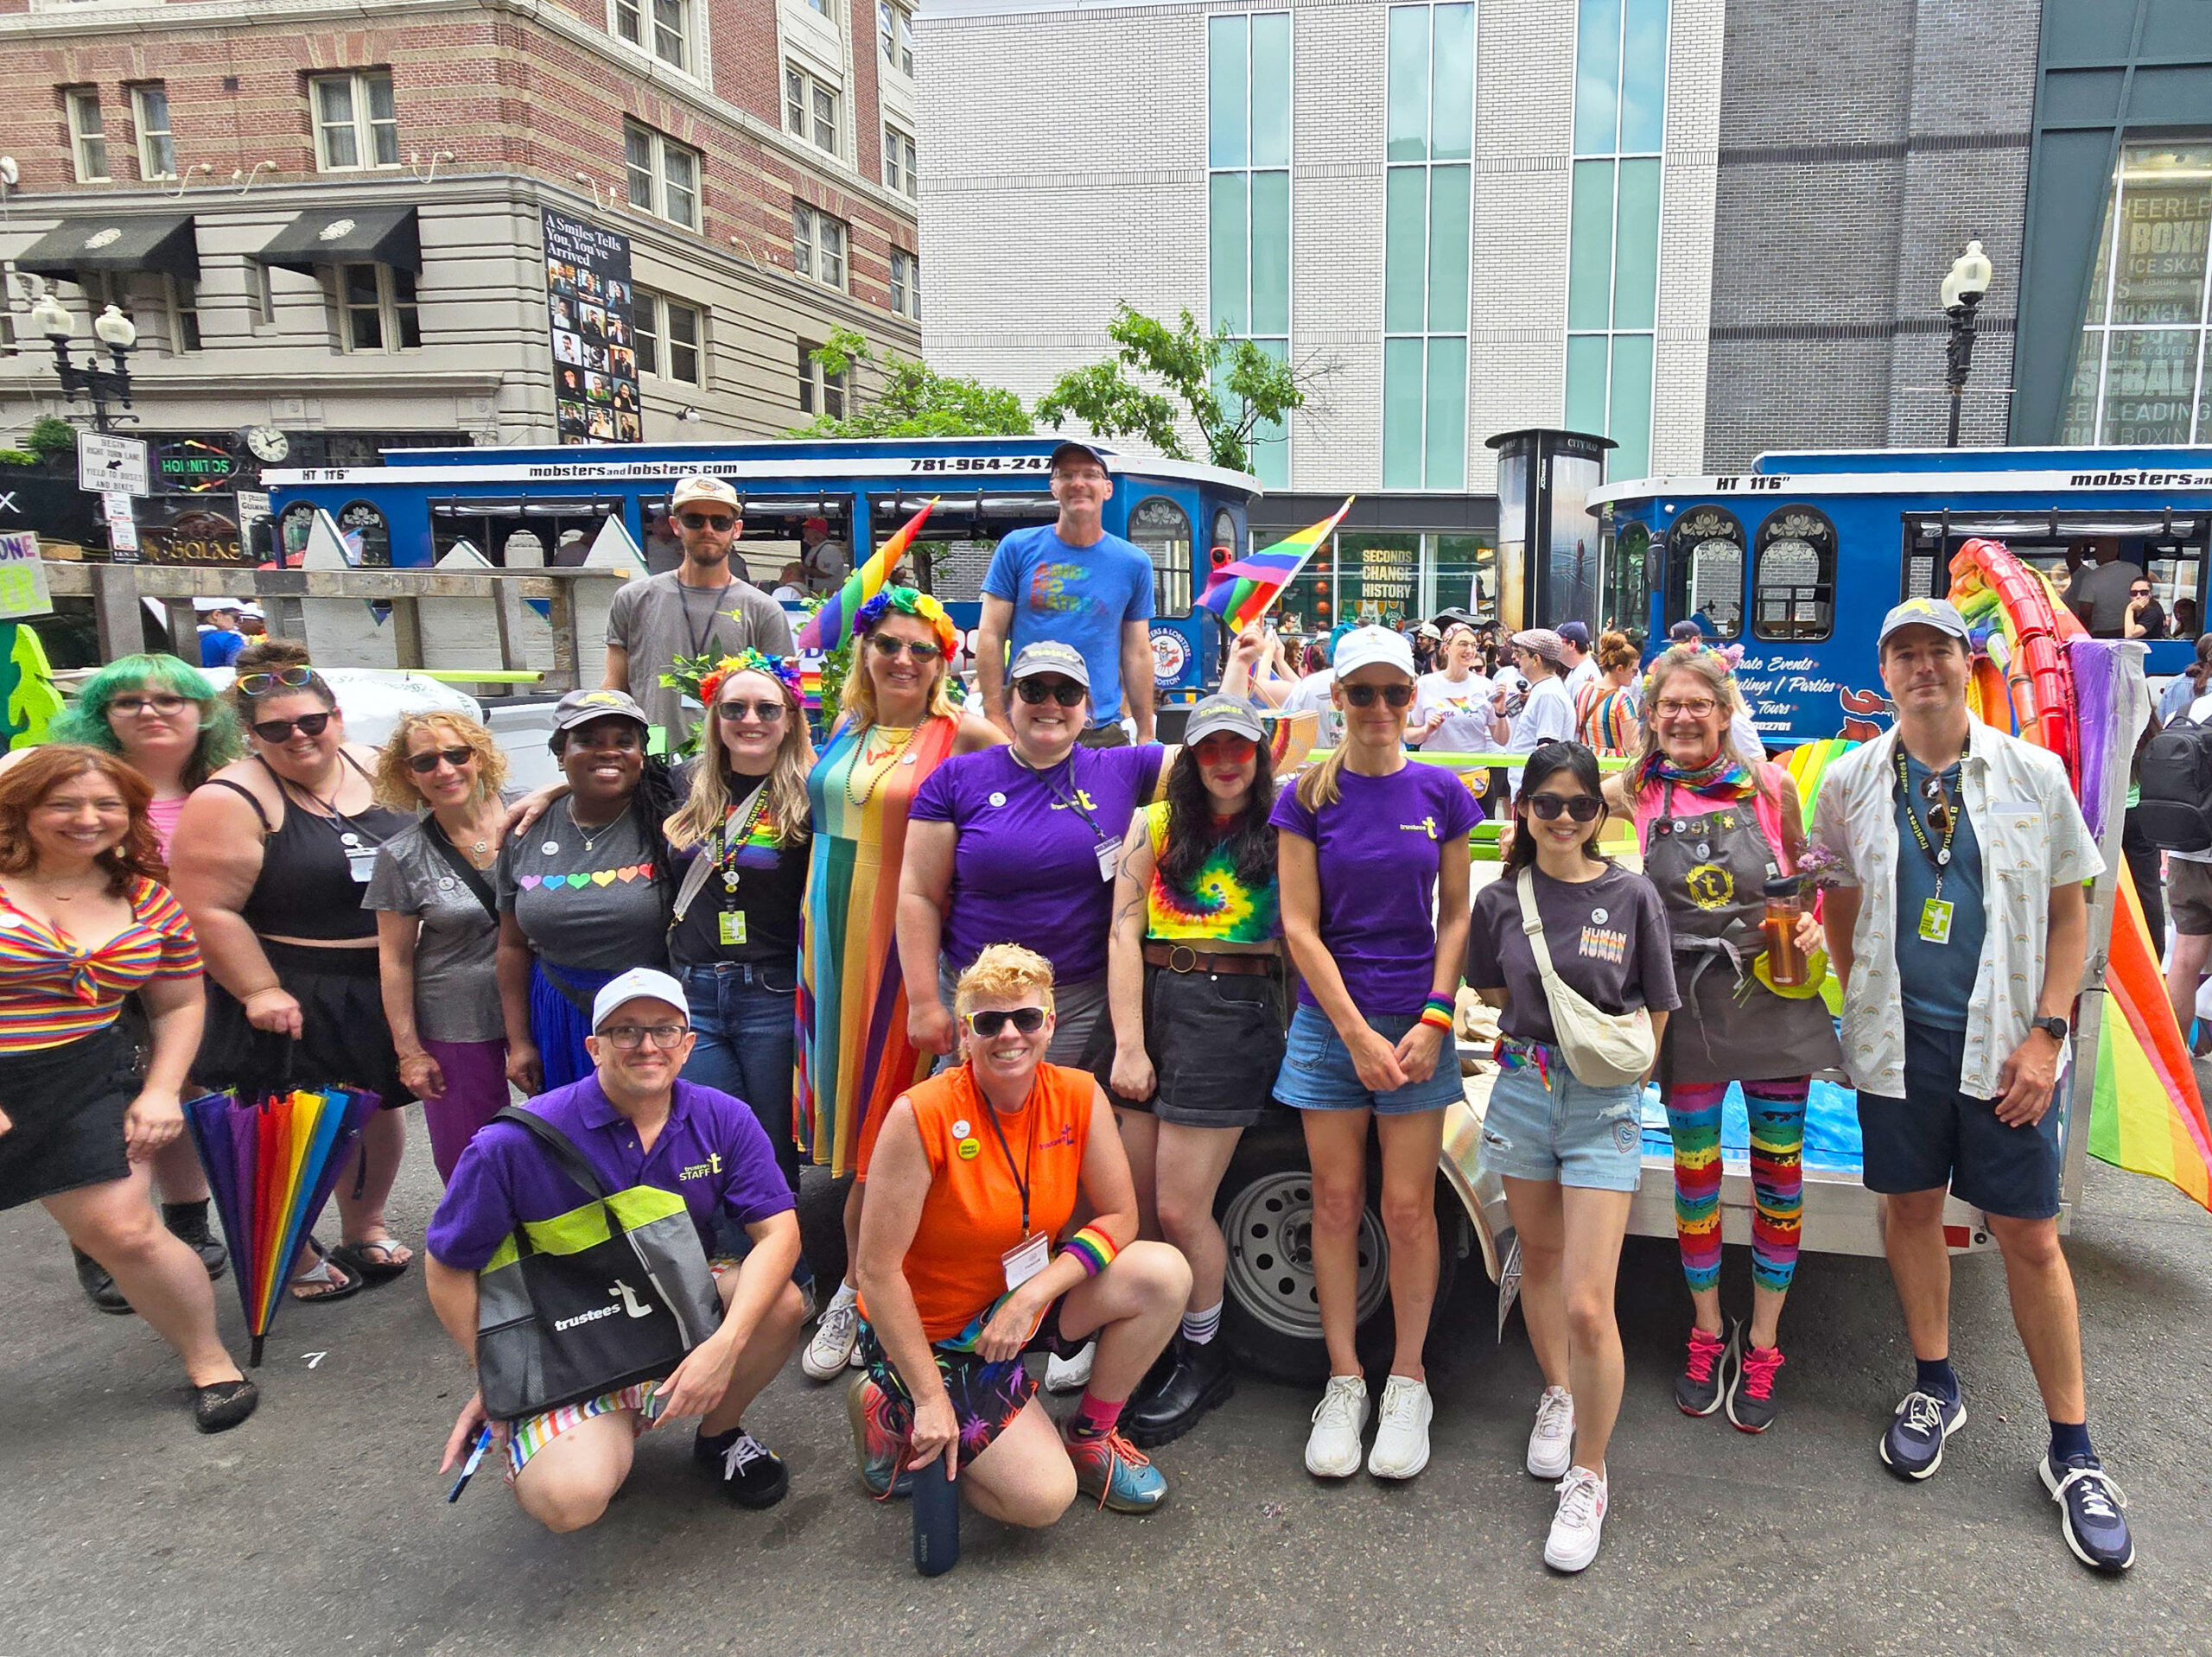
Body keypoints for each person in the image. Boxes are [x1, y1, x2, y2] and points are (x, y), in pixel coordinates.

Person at [1813, 597, 2133, 1573]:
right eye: (1902, 653)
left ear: (1968, 663)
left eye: (1937, 652)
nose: (1921, 669)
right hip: (1897, 1047)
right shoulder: (1850, 780)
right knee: (1909, 1211)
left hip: (2005, 1051)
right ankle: (1934, 1381)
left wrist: (2047, 1035)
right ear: (1885, 669)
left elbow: (2071, 917)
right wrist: (1858, 999)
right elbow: (1841, 902)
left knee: (2030, 1236)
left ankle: (2071, 1449)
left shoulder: (2033, 775)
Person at [425, 968, 809, 1529]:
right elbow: (446, 1268)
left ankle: (718, 1434)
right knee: (570, 1500)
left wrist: (726, 1345)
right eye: (625, 1031)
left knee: (781, 1305)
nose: (647, 1045)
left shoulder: (723, 1117)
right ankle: (608, 1423)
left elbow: (780, 1233)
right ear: (594, 1046)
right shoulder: (510, 1144)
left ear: (688, 1044)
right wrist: (494, 1372)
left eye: (664, 1030)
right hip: (568, 1332)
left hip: (670, 1295)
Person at [849, 943, 1191, 1518]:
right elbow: (876, 1274)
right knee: (1041, 1502)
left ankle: (1089, 1437)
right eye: (989, 1021)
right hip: (938, 1334)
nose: (1010, 1034)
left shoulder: (1079, 1095)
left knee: (1163, 1273)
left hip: (1020, 1306)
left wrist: (1034, 1294)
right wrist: (931, 1397)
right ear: (964, 1033)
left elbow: (1120, 1218)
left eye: (1026, 1017)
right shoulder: (920, 1115)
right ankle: (893, 1404)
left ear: (1049, 1023)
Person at [1605, 643, 1839, 1431]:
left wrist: (1810, 923)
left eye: (1697, 704)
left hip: (1770, 993)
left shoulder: (1771, 786)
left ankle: (1764, 1342)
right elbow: (1551, 805)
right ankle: (1709, 1330)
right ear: (1651, 717)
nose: (1682, 717)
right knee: (1695, 1174)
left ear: (1725, 711)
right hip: (1686, 1006)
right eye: (1667, 705)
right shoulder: (1637, 789)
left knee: (1780, 1174)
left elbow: (1807, 877)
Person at [0, 746, 259, 1432]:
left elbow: (177, 1004)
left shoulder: (145, 894)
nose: (88, 818)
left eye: (106, 804)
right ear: (20, 809)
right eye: (63, 803)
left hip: (81, 1073)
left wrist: (161, 1092)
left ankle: (209, 1362)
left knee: (125, 1231)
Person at [1272, 625, 1476, 1482]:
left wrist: (1433, 1019)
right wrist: (1353, 1032)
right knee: (1332, 1201)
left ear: (1414, 699)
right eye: (1364, 693)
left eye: (1396, 693)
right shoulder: (1304, 797)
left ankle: (1409, 1377)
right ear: (1338, 700)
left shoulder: (1443, 791)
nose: (1381, 709)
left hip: (1417, 1024)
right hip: (1332, 1027)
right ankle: (1345, 1376)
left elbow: (1458, 914)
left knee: (1407, 1211)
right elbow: (1297, 925)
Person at [1467, 741, 1675, 1571]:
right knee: (1541, 1263)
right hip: (1521, 1094)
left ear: (1600, 813)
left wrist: (1622, 1073)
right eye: (1545, 804)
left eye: (1578, 806)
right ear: (1522, 808)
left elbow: (1660, 1000)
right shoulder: (1498, 899)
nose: (1561, 819)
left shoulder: (1632, 893)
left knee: (1592, 1301)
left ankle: (1590, 1470)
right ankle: (1557, 1394)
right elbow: (1491, 992)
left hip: (1601, 1106)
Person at [799, 587, 1003, 1380]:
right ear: (865, 650)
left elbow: (1036, 789)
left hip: (901, 956)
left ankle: (859, 1289)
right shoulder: (844, 728)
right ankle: (871, 1284)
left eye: (923, 649)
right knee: (851, 1137)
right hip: (830, 951)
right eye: (889, 643)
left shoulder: (964, 733)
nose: (904, 660)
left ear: (944, 662)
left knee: (891, 1131)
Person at [170, 640, 415, 1298]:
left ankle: (364, 1223)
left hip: (382, 979)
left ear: (337, 717)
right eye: (275, 729)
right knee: (291, 1122)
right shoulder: (228, 798)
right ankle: (292, 1245)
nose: (298, 737)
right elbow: (209, 910)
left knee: (377, 1107)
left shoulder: (376, 767)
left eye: (311, 721)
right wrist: (258, 988)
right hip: (290, 983)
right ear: (250, 736)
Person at [26, 653, 241, 1308]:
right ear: (102, 716)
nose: (150, 712)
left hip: (206, 976)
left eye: (168, 699)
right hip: (95, 979)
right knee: (105, 1113)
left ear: (202, 712)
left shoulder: (233, 782)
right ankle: (103, 1237)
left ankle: (186, 1221)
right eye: (129, 702)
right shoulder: (63, 782)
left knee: (183, 1096)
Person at [1102, 695, 1283, 1446]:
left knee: (1180, 1210)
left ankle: (1204, 1356)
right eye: (1210, 750)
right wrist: (1129, 1043)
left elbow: (1303, 936)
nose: (1225, 763)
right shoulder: (1155, 824)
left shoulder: (1282, 828)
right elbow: (1122, 928)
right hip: (1154, 1002)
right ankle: (1151, 1338)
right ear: (1189, 757)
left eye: (1239, 748)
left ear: (1260, 753)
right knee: (1141, 1209)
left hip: (1232, 1012)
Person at [900, 640, 1166, 1073]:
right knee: (969, 1129)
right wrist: (924, 1002)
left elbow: (1227, 762)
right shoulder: (957, 778)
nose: (1051, 704)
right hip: (978, 1002)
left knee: (1061, 1129)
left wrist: (1243, 666)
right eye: (1034, 690)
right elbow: (918, 894)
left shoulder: (1124, 768)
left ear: (1087, 707)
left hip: (1080, 1003)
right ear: (1009, 700)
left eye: (1067, 693)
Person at [664, 651, 813, 1203]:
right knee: (710, 1139)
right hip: (694, 989)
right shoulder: (681, 785)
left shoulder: (812, 796)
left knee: (769, 1142)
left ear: (791, 718)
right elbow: (602, 777)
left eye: (767, 709)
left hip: (770, 992)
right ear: (715, 717)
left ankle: (786, 1273)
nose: (750, 720)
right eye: (735, 708)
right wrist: (545, 792)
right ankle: (731, 1263)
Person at [497, 689, 671, 1097]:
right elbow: (511, 946)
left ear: (642, 755)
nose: (607, 752)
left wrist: (554, 789)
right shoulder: (525, 831)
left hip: (649, 1011)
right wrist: (520, 1042)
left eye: (623, 742)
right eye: (588, 741)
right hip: (559, 1010)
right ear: (561, 754)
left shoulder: (671, 818)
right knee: (574, 1142)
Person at [366, 711, 514, 1184]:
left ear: (479, 757)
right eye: (426, 761)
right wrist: (408, 1050)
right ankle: (481, 1243)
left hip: (539, 1001)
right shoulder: (401, 855)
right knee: (470, 1144)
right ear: (408, 775)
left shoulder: (533, 819)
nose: (445, 770)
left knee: (570, 1127)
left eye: (457, 755)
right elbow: (394, 959)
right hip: (455, 1014)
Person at [978, 441, 1156, 746]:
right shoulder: (1017, 548)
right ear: (1053, 487)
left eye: (1090, 474)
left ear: (1108, 489)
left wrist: (1146, 732)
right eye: (1066, 475)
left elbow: (1137, 651)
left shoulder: (1133, 563)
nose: (1078, 483)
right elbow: (991, 634)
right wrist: (995, 715)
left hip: (1100, 730)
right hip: (1027, 720)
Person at [603, 476, 794, 750]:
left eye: (720, 522)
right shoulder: (633, 599)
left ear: (736, 529)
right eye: (695, 520)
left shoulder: (763, 610)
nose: (708, 530)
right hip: (653, 755)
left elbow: (782, 699)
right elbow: (614, 686)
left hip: (730, 760)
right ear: (675, 525)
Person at [1490, 629, 1577, 795]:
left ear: (1536, 659)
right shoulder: (1543, 690)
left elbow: (1548, 750)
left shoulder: (1548, 694)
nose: (1515, 659)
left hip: (1534, 791)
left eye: (1520, 653)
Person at [1410, 622, 1496, 753]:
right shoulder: (1424, 684)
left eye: (1474, 645)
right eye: (1463, 644)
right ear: (1446, 648)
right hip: (1434, 770)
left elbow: (1502, 739)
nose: (1470, 650)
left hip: (1474, 771)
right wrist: (1426, 730)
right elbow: (1408, 735)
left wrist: (1501, 711)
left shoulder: (1486, 686)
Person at [1574, 630, 1642, 755]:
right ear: (1620, 669)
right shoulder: (1623, 702)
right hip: (1614, 769)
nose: (1635, 675)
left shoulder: (1584, 690)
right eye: (1633, 670)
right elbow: (1633, 746)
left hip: (1585, 762)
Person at [193, 598, 249, 669]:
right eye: (236, 617)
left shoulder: (179, 639)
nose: (237, 623)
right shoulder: (230, 640)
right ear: (216, 615)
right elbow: (241, 671)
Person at [1557, 621, 1600, 695]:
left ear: (1572, 645)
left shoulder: (1581, 678)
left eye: (1558, 641)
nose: (1556, 645)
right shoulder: (1581, 668)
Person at [2123, 575, 2167, 641]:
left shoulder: (2153, 610)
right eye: (2134, 593)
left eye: (2143, 593)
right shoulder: (2134, 611)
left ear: (2150, 594)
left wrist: (2130, 608)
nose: (2138, 596)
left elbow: (2130, 635)